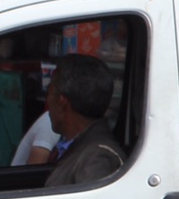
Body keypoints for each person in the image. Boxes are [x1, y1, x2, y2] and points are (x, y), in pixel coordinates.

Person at [43, 55, 126, 188]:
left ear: (62, 101)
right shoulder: (82, 147)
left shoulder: (97, 158)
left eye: (50, 92)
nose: (47, 101)